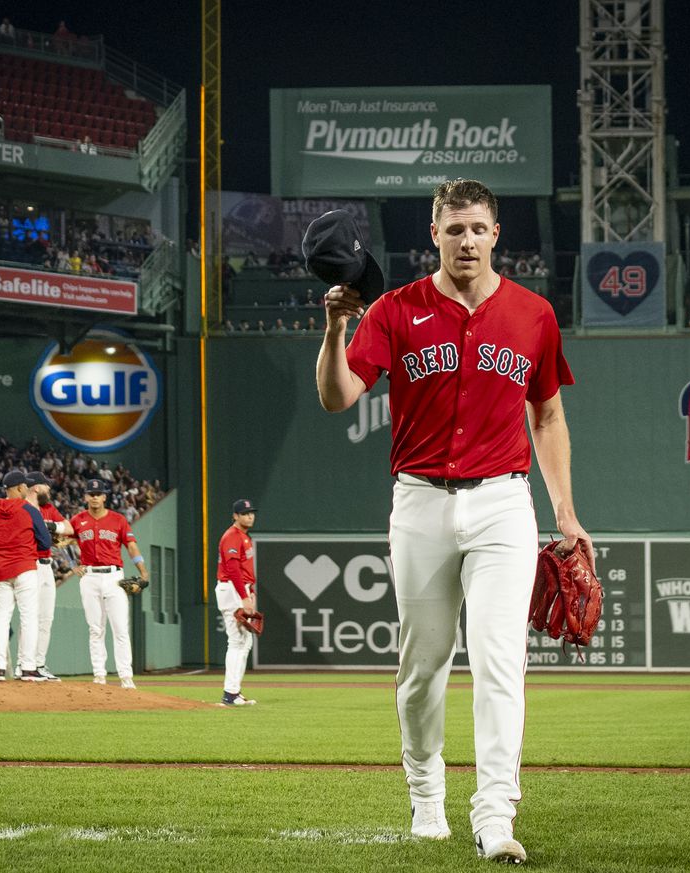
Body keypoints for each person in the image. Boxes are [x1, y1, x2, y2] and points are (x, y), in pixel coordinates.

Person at [314, 180, 592, 864]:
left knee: (501, 661)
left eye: (477, 228)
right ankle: (427, 796)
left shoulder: (532, 314)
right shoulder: (396, 309)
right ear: (433, 236)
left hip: (503, 501)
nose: (466, 240)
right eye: (453, 229)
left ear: (497, 234)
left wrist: (565, 510)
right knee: (423, 665)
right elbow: (337, 395)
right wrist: (334, 327)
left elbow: (548, 415)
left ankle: (495, 813)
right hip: (420, 501)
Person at [69, 479, 148, 687]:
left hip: (114, 577)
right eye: (91, 493)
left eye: (98, 493)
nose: (94, 496)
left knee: (120, 628)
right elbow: (60, 540)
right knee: (96, 629)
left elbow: (131, 546)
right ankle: (99, 674)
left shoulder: (118, 520)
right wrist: (71, 565)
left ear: (104, 497)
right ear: (85, 496)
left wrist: (143, 571)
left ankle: (126, 676)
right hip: (89, 577)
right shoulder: (77, 520)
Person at [0, 469, 51, 681]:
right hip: (25, 568)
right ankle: (28, 667)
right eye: (24, 486)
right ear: (19, 488)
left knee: (0, 619)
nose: (26, 489)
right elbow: (45, 542)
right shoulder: (29, 510)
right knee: (29, 618)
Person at [16, 471, 72, 681]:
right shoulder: (22, 507)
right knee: (30, 617)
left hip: (47, 566)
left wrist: (51, 526)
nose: (49, 489)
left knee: (46, 619)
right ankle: (23, 663)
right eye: (47, 486)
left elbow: (69, 527)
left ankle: (39, 663)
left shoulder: (48, 509)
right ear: (37, 487)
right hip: (30, 565)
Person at [215, 498, 259, 706]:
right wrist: (243, 595)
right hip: (232, 588)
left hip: (240, 588)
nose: (249, 516)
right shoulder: (232, 536)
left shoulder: (243, 536)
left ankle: (234, 691)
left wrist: (251, 592)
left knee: (244, 642)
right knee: (236, 641)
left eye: (251, 512)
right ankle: (230, 693)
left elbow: (243, 570)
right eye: (244, 513)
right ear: (235, 516)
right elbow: (232, 569)